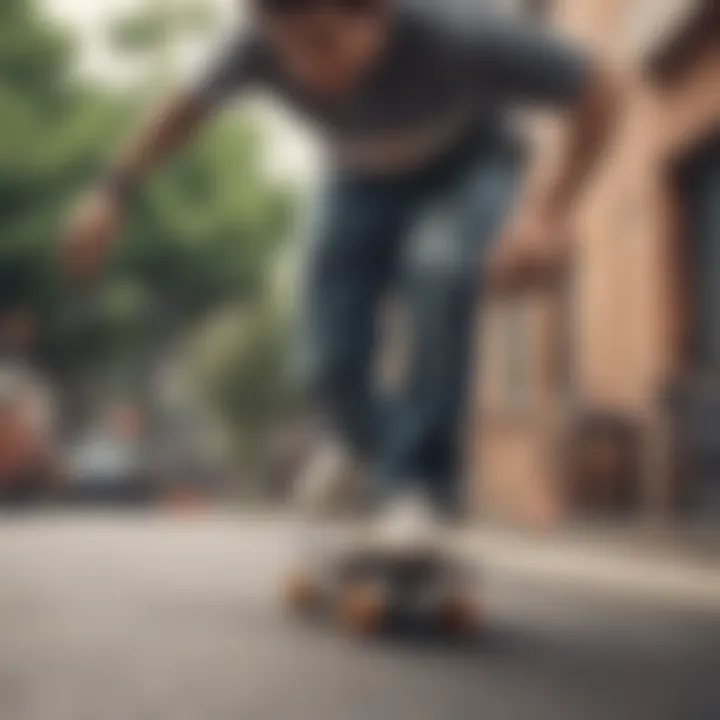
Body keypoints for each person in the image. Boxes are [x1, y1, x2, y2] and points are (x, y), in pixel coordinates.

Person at [64, 0, 621, 538]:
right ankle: (370, 455)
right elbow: (182, 109)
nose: (309, 67)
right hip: (356, 179)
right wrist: (111, 193)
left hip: (468, 163)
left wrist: (549, 210)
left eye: (326, 43)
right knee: (327, 361)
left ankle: (421, 488)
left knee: (440, 267)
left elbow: (600, 89)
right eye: (290, 50)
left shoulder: (459, 30)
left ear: (378, 13)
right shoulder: (253, 45)